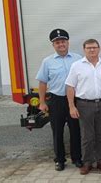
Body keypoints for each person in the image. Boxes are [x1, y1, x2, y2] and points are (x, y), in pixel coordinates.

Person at [66, 39, 101, 175]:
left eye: (94, 47)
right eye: (89, 48)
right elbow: (70, 87)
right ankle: (87, 162)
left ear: (99, 48)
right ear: (84, 49)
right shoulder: (77, 66)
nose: (92, 50)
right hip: (84, 105)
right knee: (87, 136)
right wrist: (72, 106)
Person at [36, 28, 82, 171]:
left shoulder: (78, 58)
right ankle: (60, 160)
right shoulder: (47, 62)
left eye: (63, 41)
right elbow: (42, 82)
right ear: (53, 45)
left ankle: (77, 158)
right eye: (57, 42)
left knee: (76, 130)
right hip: (56, 101)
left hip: (74, 100)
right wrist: (42, 102)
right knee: (57, 131)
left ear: (67, 42)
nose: (61, 44)